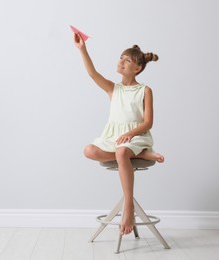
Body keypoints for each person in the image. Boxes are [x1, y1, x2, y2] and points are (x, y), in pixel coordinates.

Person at [73, 32, 164, 235]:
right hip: (114, 138)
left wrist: (130, 134)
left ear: (137, 68)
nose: (122, 62)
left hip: (136, 136)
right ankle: (140, 154)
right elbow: (92, 73)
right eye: (121, 58)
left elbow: (148, 122)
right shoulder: (113, 89)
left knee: (122, 152)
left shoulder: (145, 90)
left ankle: (128, 207)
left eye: (127, 60)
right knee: (89, 150)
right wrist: (82, 49)